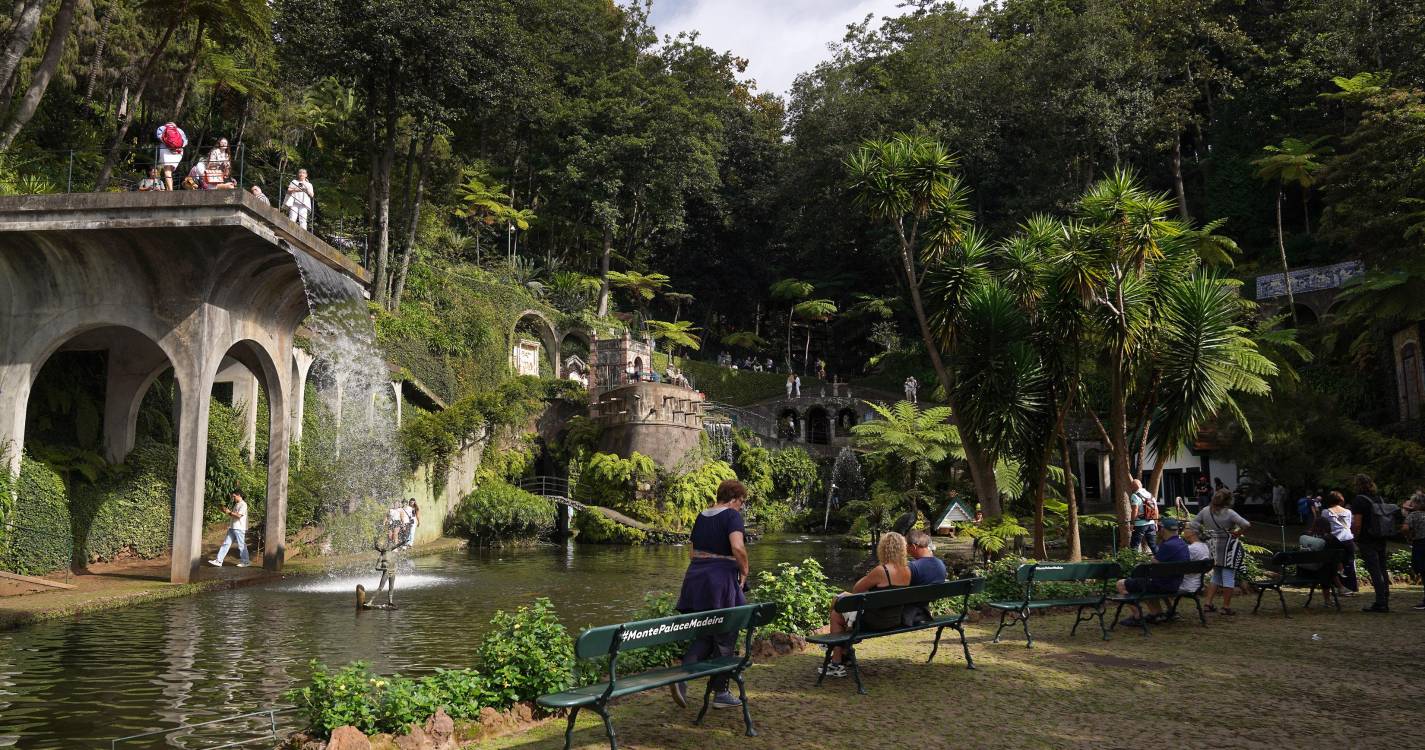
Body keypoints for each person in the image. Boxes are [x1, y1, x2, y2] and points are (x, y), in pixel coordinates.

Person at [672, 479, 750, 711]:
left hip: (696, 579)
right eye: (742, 502)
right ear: (734, 498)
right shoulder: (732, 516)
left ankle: (682, 677)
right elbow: (737, 547)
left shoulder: (701, 516)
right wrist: (744, 570)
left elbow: (692, 551)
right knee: (726, 634)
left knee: (705, 634)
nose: (741, 507)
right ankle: (721, 692)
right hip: (720, 581)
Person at [819, 532, 912, 678]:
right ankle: (843, 651)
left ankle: (836, 662)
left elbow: (857, 589)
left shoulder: (881, 570)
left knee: (837, 613)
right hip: (893, 620)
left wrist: (869, 576)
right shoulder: (907, 570)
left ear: (883, 549)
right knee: (843, 604)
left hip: (874, 622)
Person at [1116, 517, 1190, 626]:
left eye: (1159, 528)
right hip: (1174, 584)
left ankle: (1137, 616)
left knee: (1121, 584)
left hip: (1162, 585)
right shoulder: (1183, 544)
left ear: (1163, 529)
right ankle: (1156, 614)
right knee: (1144, 583)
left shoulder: (1167, 545)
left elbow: (1153, 564)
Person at [1195, 489, 1250, 615]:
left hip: (1213, 547)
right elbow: (1246, 524)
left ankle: (1208, 604)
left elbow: (1194, 524)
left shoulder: (1205, 511)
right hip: (1228, 549)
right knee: (1228, 576)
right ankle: (1226, 606)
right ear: (1228, 501)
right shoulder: (1229, 513)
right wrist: (1238, 533)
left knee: (1216, 576)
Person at [1349, 474, 1393, 612]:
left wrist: (1354, 537)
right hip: (1380, 536)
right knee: (1382, 568)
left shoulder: (1359, 500)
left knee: (1374, 570)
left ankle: (1380, 602)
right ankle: (1384, 598)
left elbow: (1357, 523)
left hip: (1367, 539)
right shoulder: (1378, 498)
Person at [1322, 491, 1358, 595]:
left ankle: (1339, 586)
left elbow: (1324, 526)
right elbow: (1350, 525)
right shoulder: (1348, 512)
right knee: (1349, 562)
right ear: (1340, 500)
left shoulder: (1326, 512)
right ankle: (1351, 586)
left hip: (1334, 540)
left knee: (1333, 563)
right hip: (1348, 539)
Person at [207, 490, 249, 567]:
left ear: (239, 495)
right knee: (226, 544)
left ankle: (245, 562)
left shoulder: (243, 504)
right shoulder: (236, 504)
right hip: (232, 527)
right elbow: (233, 515)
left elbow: (239, 516)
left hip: (239, 528)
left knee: (241, 545)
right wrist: (225, 511)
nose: (233, 498)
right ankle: (219, 561)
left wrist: (229, 512)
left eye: (234, 496)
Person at [1402, 492, 1425, 611]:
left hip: (1420, 544)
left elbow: (1405, 528)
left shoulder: (1414, 515)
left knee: (1423, 570)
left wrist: (1409, 537)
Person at [1129, 479, 1159, 555]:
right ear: (1141, 485)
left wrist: (1132, 523)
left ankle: (1133, 561)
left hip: (1139, 525)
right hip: (1151, 523)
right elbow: (1156, 509)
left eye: (1131, 486)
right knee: (1153, 545)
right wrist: (1156, 523)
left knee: (1134, 546)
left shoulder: (1134, 495)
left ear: (1133, 487)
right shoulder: (1150, 495)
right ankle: (1161, 560)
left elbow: (1135, 511)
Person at [1180, 523, 1211, 596]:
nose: (1183, 530)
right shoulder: (1204, 546)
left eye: (1186, 528)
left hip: (1185, 586)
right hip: (1197, 584)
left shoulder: (1191, 548)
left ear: (1193, 532)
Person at [155, 121, 186, 190]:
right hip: (178, 151)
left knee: (167, 171)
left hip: (166, 150)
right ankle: (169, 189)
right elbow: (185, 141)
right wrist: (177, 147)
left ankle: (170, 191)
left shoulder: (161, 128)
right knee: (169, 172)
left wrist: (169, 146)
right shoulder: (180, 130)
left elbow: (159, 137)